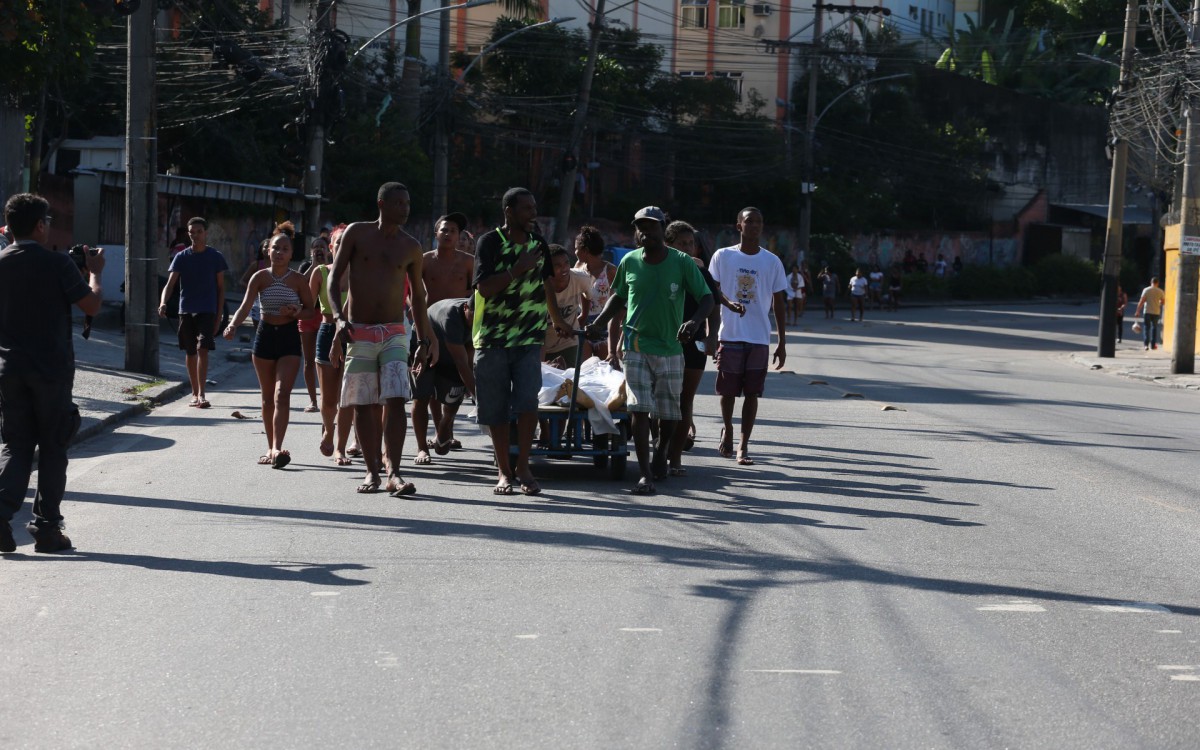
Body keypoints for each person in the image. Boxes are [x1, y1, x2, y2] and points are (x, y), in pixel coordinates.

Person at [0, 193, 104, 553]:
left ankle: (0, 518)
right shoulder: (57, 264)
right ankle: (46, 529)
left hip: (9, 370)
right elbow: (91, 303)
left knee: (15, 445)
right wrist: (94, 273)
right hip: (51, 371)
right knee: (53, 447)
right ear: (41, 225)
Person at [587, 207, 713, 494]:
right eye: (640, 227)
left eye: (651, 227)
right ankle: (645, 473)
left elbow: (706, 297)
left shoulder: (681, 262)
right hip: (635, 347)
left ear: (662, 229)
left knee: (670, 413)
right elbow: (618, 296)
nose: (646, 232)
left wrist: (694, 322)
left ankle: (662, 451)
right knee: (639, 409)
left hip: (670, 347)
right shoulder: (629, 262)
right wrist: (599, 323)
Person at [328, 182, 437, 496]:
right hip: (359, 329)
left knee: (396, 398)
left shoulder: (411, 246)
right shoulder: (357, 234)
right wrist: (338, 319)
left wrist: (424, 339)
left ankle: (395, 473)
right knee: (363, 403)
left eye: (407, 203)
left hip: (394, 332)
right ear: (381, 204)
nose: (405, 209)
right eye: (398, 203)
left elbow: (418, 297)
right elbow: (335, 278)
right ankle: (372, 472)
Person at [473, 187, 569, 496]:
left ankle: (523, 466)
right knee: (497, 408)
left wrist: (557, 320)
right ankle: (503, 471)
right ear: (509, 212)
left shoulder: (538, 243)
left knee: (528, 403)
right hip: (492, 339)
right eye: (527, 209)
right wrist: (517, 269)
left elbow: (545, 286)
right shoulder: (489, 243)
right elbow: (484, 289)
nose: (533, 214)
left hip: (529, 338)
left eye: (534, 207)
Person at [223, 230, 315, 468]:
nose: (279, 252)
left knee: (282, 394)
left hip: (288, 338)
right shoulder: (260, 277)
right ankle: (270, 445)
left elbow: (310, 309)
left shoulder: (298, 279)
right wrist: (232, 324)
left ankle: (277, 448)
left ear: (291, 253)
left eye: (285, 249)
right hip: (264, 336)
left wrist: (296, 311)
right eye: (275, 248)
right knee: (267, 399)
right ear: (268, 250)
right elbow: (246, 305)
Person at [708, 206, 787, 466]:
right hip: (729, 334)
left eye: (759, 222)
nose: (754, 226)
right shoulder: (723, 256)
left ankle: (744, 445)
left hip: (759, 338)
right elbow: (712, 291)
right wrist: (727, 307)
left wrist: (782, 341)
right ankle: (728, 429)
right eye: (749, 221)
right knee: (728, 392)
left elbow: (779, 303)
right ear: (739, 225)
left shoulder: (772, 261)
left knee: (752, 393)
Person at [662, 219, 742, 476]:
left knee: (685, 401)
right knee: (660, 402)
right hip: (662, 343)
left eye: (691, 244)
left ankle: (674, 460)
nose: (687, 248)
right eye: (681, 243)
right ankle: (659, 451)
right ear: (669, 245)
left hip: (692, 344)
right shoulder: (659, 268)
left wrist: (711, 338)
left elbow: (714, 306)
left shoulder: (701, 272)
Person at [413, 212, 475, 462]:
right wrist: (415, 315)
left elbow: (476, 296)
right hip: (428, 330)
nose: (448, 234)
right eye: (444, 230)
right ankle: (421, 448)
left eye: (453, 231)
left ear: (460, 237)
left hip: (459, 328)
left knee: (454, 390)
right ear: (435, 234)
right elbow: (414, 293)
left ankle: (443, 428)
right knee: (422, 392)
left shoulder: (470, 262)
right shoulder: (424, 260)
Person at [159, 217, 228, 409]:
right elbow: (170, 284)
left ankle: (203, 393)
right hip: (186, 309)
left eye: (198, 231)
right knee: (190, 351)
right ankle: (194, 392)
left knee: (202, 348)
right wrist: (163, 302)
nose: (195, 235)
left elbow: (221, 289)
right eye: (192, 232)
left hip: (207, 310)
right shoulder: (182, 257)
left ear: (206, 233)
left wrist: (220, 314)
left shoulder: (215, 257)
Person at [410, 297, 477, 463]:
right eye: (472, 317)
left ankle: (445, 423)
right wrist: (480, 399)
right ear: (466, 308)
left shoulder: (483, 317)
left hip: (455, 348)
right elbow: (461, 363)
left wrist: (473, 386)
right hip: (425, 345)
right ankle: (422, 448)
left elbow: (469, 358)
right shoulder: (451, 317)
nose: (475, 322)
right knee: (422, 397)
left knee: (455, 393)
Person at [312, 224, 355, 466]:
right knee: (329, 399)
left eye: (347, 244)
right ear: (331, 247)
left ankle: (340, 448)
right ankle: (328, 429)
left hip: (352, 334)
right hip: (327, 331)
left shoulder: (359, 272)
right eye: (338, 243)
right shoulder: (320, 272)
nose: (342, 248)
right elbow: (308, 307)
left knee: (347, 397)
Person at [542, 245, 592, 368]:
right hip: (542, 343)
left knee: (570, 381)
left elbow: (587, 295)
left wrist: (583, 315)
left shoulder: (581, 278)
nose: (564, 268)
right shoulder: (538, 285)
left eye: (566, 263)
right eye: (557, 265)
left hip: (569, 342)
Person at [574, 225, 617, 360]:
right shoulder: (578, 267)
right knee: (583, 371)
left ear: (585, 250)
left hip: (604, 326)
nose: (574, 252)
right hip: (582, 324)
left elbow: (618, 303)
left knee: (605, 372)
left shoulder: (610, 271)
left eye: (576, 248)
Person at [297, 235, 327, 413]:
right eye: (315, 247)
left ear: (328, 249)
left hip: (326, 316)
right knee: (308, 361)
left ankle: (327, 397)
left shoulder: (332, 268)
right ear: (310, 252)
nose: (319, 250)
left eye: (322, 247)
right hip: (307, 315)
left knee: (326, 360)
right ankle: (313, 401)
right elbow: (300, 285)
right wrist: (314, 267)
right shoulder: (305, 267)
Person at [1134, 277, 1166, 351]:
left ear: (1151, 282)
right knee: (1154, 328)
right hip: (1156, 312)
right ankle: (1153, 345)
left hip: (1147, 311)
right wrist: (1159, 302)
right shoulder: (1161, 291)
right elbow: (1163, 302)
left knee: (1146, 328)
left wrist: (1137, 311)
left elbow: (1142, 301)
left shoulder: (1146, 290)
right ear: (1157, 283)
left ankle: (1146, 345)